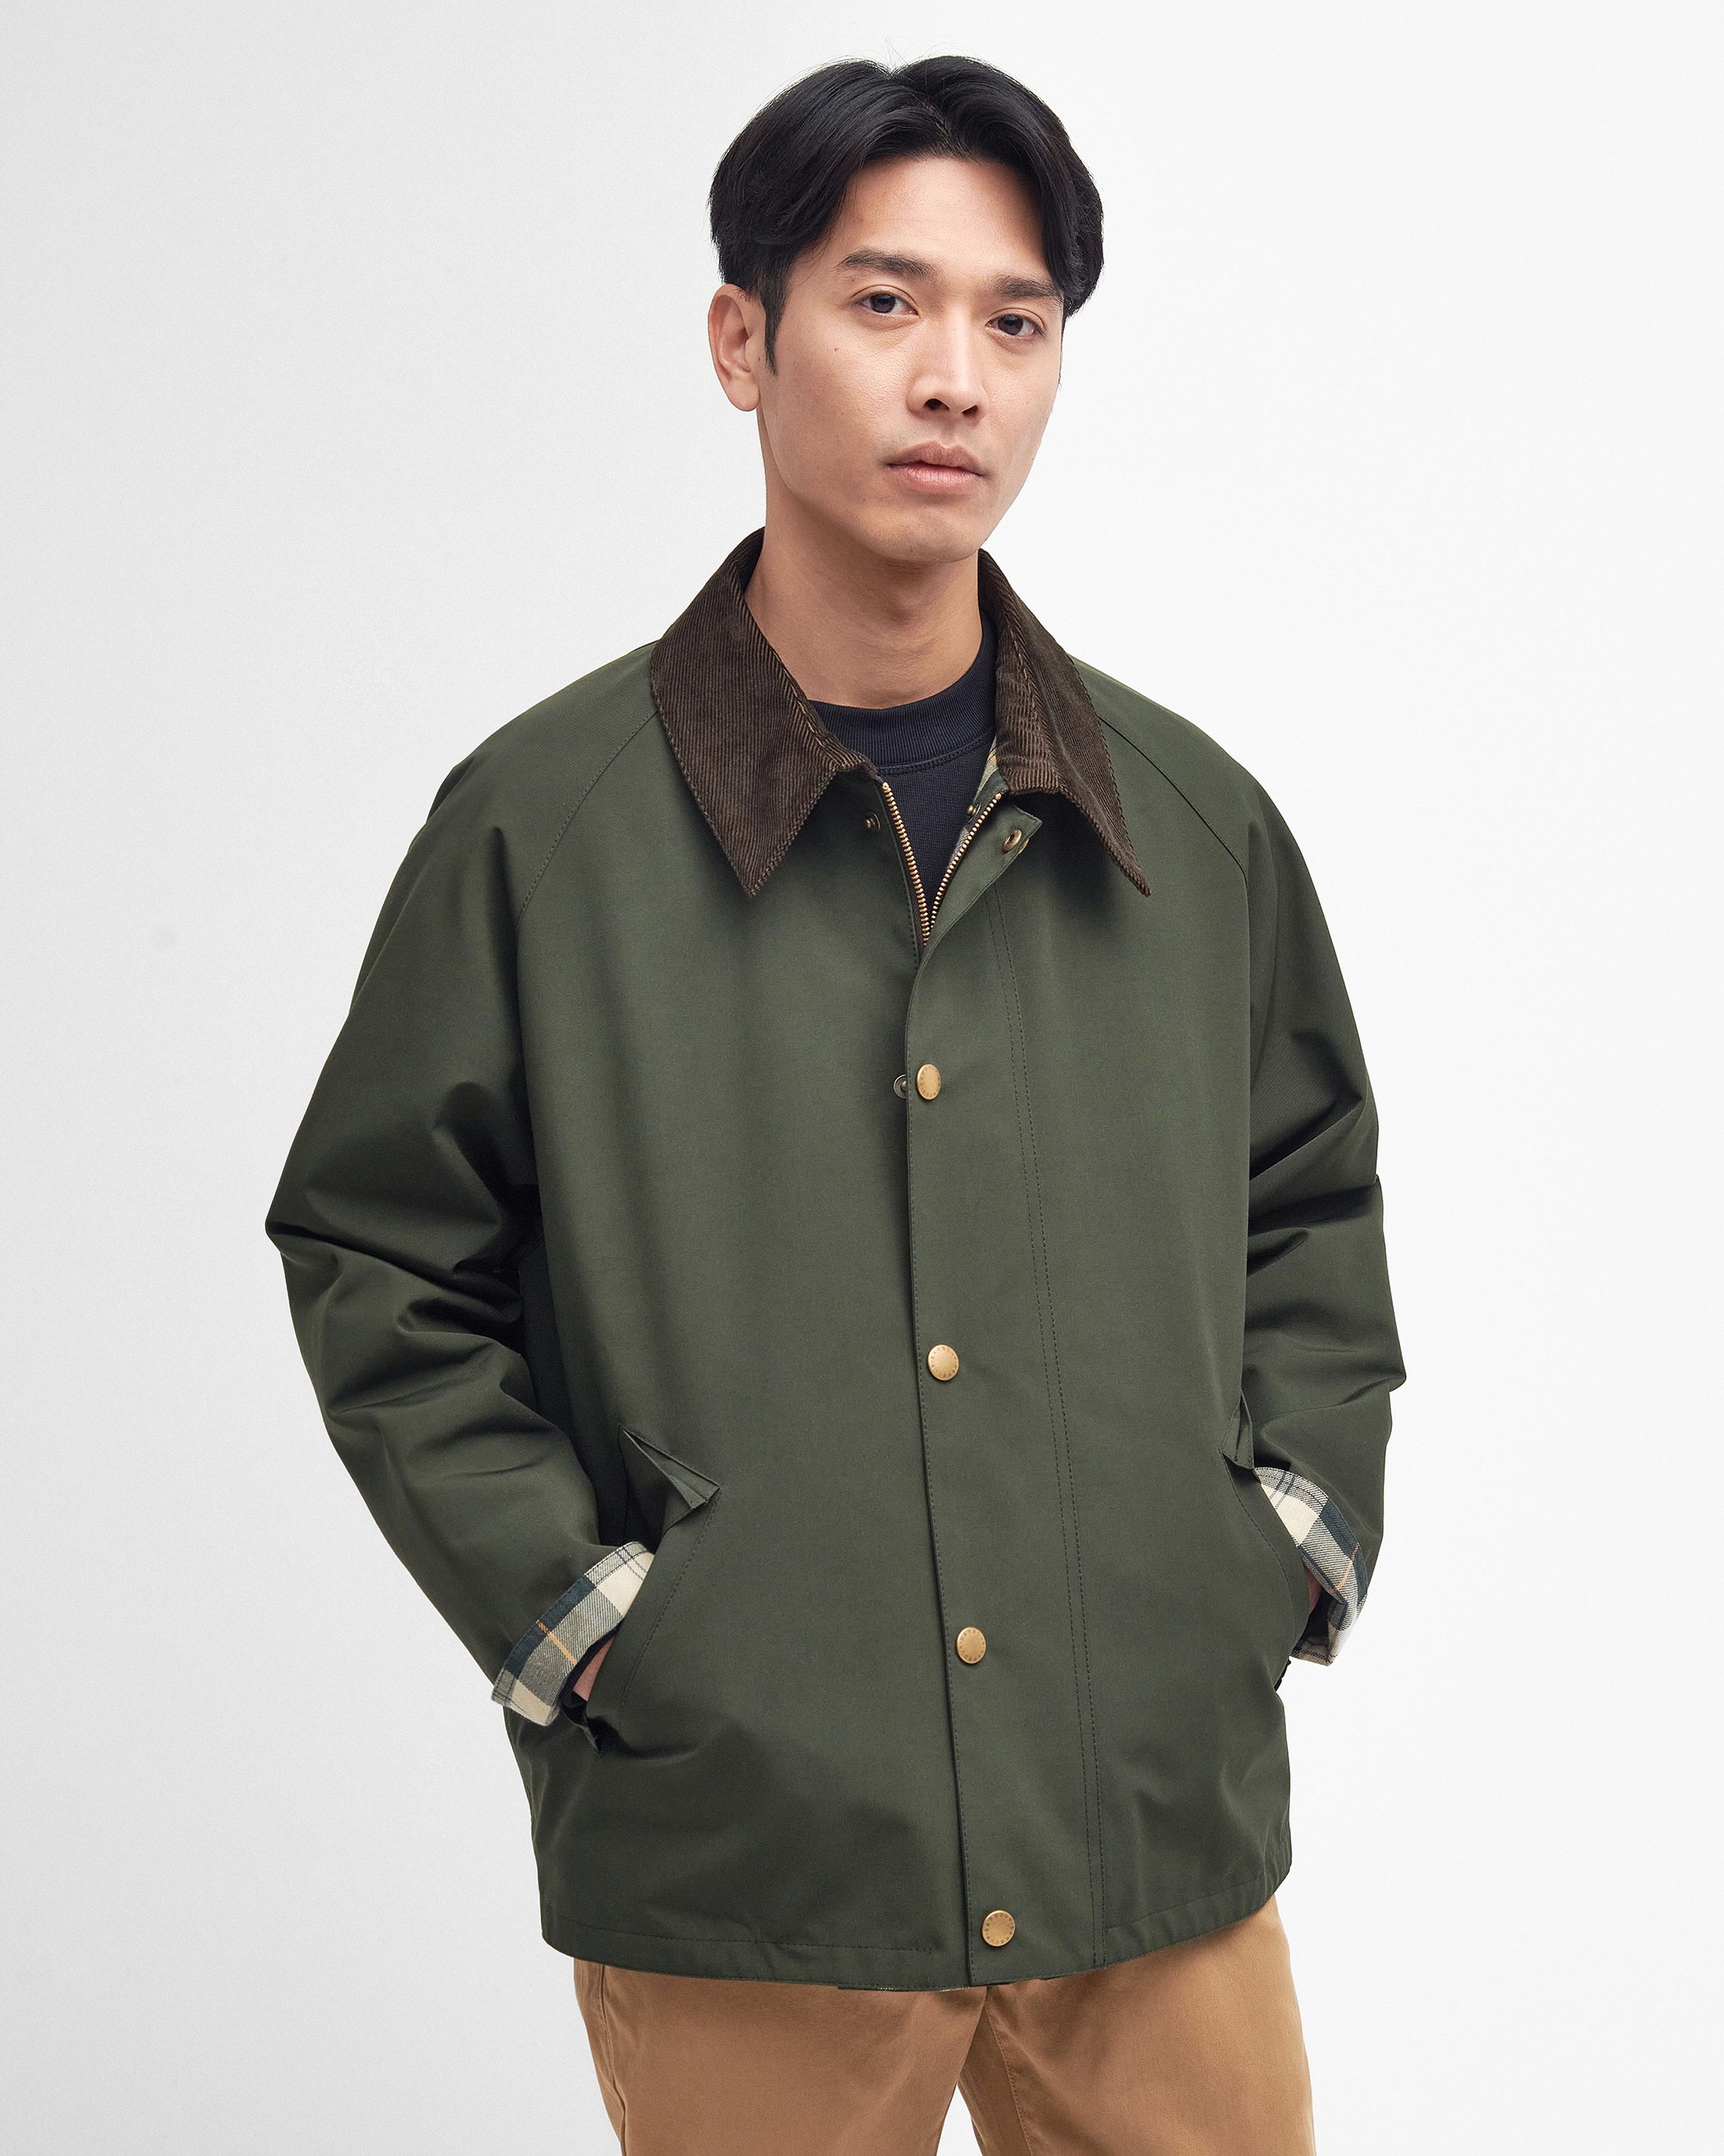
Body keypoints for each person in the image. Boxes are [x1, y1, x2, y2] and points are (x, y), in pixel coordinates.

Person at [269, 54, 1403, 2156]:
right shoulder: (542, 829)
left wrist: (1280, 1545)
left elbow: (1309, 1197)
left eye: (1014, 320)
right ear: (742, 340)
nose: (954, 376)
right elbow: (379, 1253)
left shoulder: (1193, 824)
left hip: (1146, 1825)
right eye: (885, 302)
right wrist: (595, 1627)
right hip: (751, 1855)